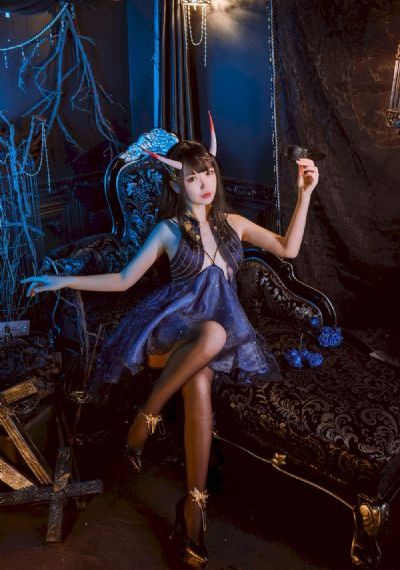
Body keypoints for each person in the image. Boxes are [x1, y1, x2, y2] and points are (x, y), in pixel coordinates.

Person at [21, 115, 319, 568]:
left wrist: (305, 195)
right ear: (177, 184)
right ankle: (148, 419)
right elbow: (124, 279)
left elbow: (288, 249)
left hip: (218, 341)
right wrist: (62, 281)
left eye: (208, 173)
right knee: (211, 335)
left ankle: (193, 506)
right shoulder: (168, 230)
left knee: (201, 375)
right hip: (171, 334)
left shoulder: (233, 224)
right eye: (192, 177)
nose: (203, 183)